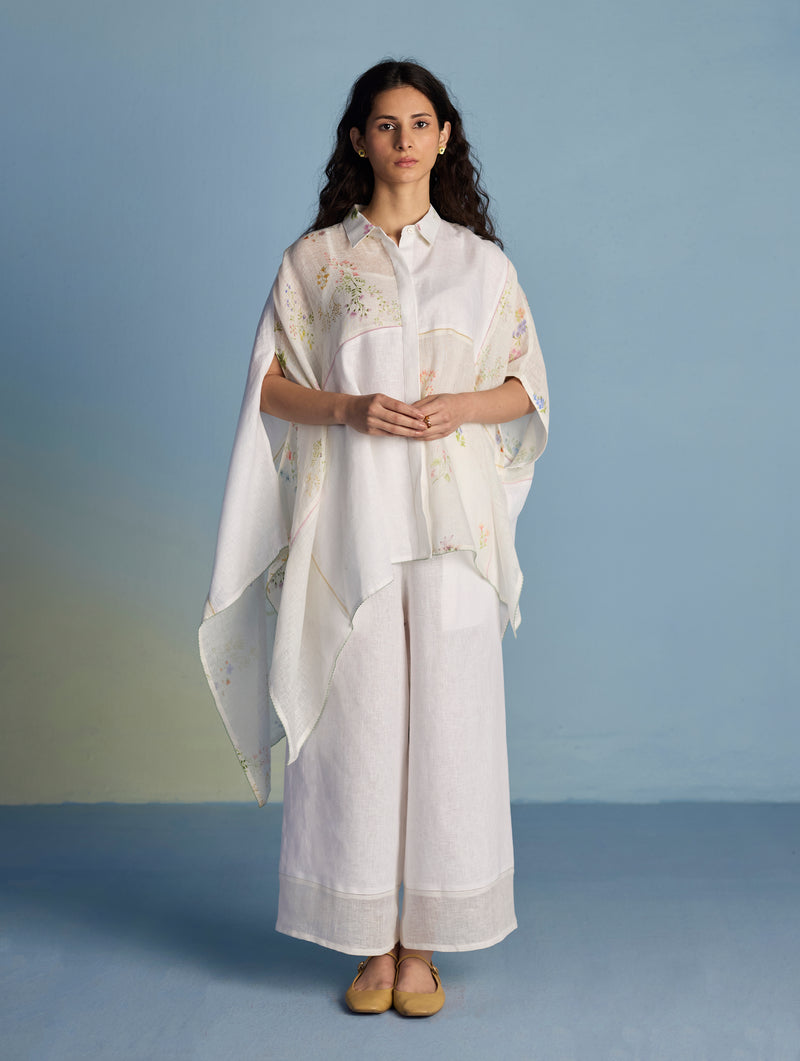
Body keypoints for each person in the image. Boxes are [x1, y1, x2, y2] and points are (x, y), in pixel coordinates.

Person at [199, 59, 549, 1018]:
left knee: (452, 723)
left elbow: (527, 387)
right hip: (351, 526)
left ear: (445, 138)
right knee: (354, 722)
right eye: (386, 124)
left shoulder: (483, 266)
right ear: (359, 139)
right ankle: (366, 938)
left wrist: (458, 407)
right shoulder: (316, 262)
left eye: (420, 122)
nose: (404, 139)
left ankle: (423, 943)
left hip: (452, 534)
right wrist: (350, 408)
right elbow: (269, 386)